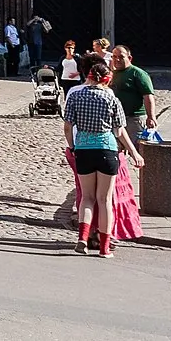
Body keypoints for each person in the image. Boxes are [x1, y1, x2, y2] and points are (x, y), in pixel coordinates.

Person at [64, 55, 142, 256]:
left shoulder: (75, 96)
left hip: (83, 148)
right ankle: (105, 247)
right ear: (107, 79)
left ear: (89, 76)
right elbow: (120, 130)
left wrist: (73, 146)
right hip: (106, 149)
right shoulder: (111, 98)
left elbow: (68, 126)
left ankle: (82, 239)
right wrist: (133, 152)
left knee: (87, 198)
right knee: (105, 200)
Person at [109, 45, 156, 137]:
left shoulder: (138, 73)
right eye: (114, 57)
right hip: (116, 118)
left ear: (129, 58)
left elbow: (148, 96)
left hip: (134, 118)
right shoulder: (112, 73)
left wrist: (151, 116)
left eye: (121, 57)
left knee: (135, 147)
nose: (117, 60)